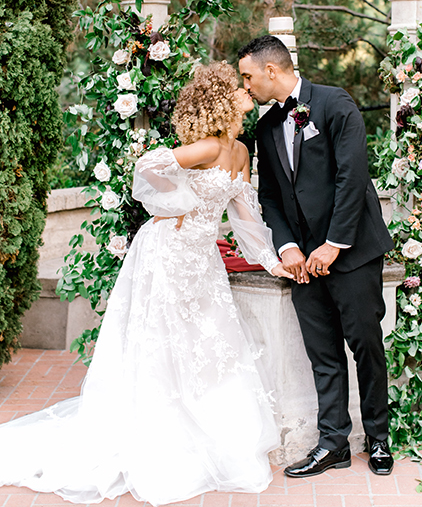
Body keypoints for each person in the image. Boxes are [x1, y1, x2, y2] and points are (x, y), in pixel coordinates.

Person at [0, 61, 293, 505]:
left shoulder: (241, 151)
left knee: (207, 344)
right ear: (221, 99)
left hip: (201, 261)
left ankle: (209, 431)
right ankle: (158, 434)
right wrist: (180, 203)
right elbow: (147, 166)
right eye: (238, 88)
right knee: (163, 341)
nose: (246, 93)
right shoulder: (208, 147)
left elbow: (246, 215)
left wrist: (272, 262)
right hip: (167, 251)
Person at [238, 35, 395, 478]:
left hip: (352, 252)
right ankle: (333, 444)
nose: (245, 85)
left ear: (272, 70)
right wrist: (289, 248)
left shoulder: (334, 103)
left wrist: (333, 243)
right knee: (322, 353)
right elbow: (269, 194)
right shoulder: (265, 129)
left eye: (248, 75)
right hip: (303, 264)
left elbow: (352, 176)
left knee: (366, 346)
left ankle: (379, 438)